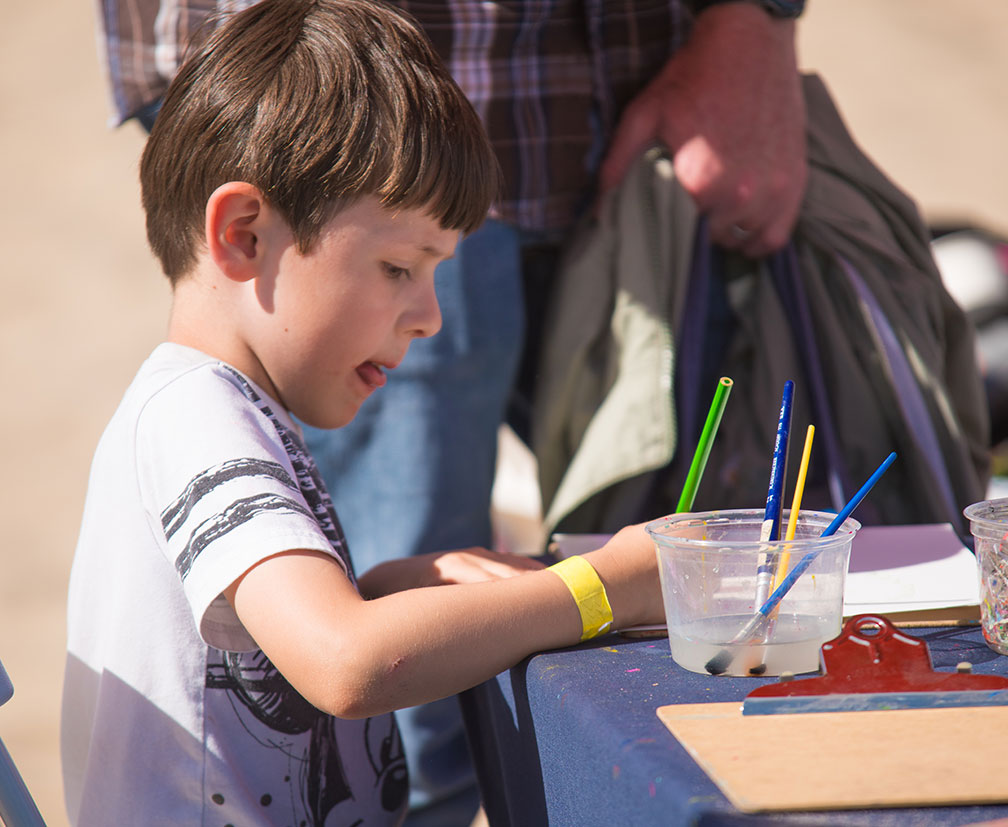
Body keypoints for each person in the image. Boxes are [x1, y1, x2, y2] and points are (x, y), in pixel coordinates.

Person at [93, 1, 811, 823]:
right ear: (246, 235)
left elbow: (263, 645)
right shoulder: (198, 420)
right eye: (399, 267)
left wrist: (402, 587)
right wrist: (607, 586)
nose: (429, 315)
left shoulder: (229, 410)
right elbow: (347, 664)